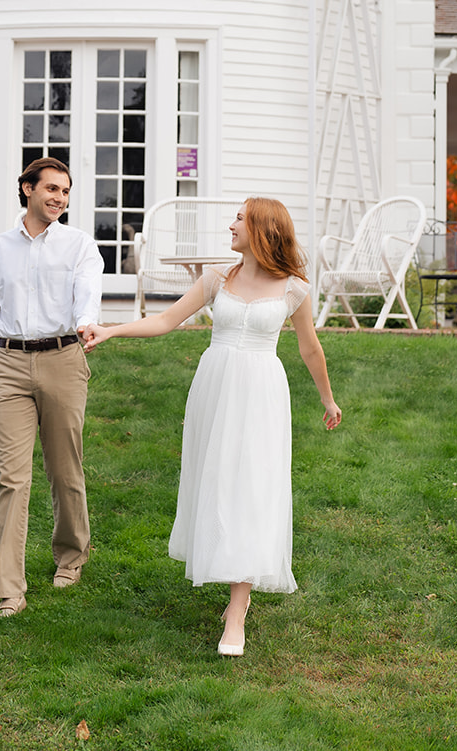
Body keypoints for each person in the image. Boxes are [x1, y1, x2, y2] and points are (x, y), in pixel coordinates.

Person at [82, 196, 340, 656]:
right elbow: (165, 320)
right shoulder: (218, 278)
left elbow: (310, 349)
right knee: (219, 482)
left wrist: (327, 398)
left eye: (239, 219)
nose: (230, 226)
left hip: (261, 392)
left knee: (253, 490)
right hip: (215, 389)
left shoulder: (293, 289)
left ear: (262, 228)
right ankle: (227, 577)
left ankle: (236, 613)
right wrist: (111, 330)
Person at [0, 157, 104, 617]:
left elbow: (88, 292)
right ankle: (10, 590)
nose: (59, 198)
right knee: (11, 479)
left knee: (65, 471)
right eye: (51, 189)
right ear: (27, 188)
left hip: (64, 359)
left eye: (65, 192)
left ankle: (71, 556)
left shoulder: (80, 244)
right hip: (9, 365)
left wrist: (86, 323)